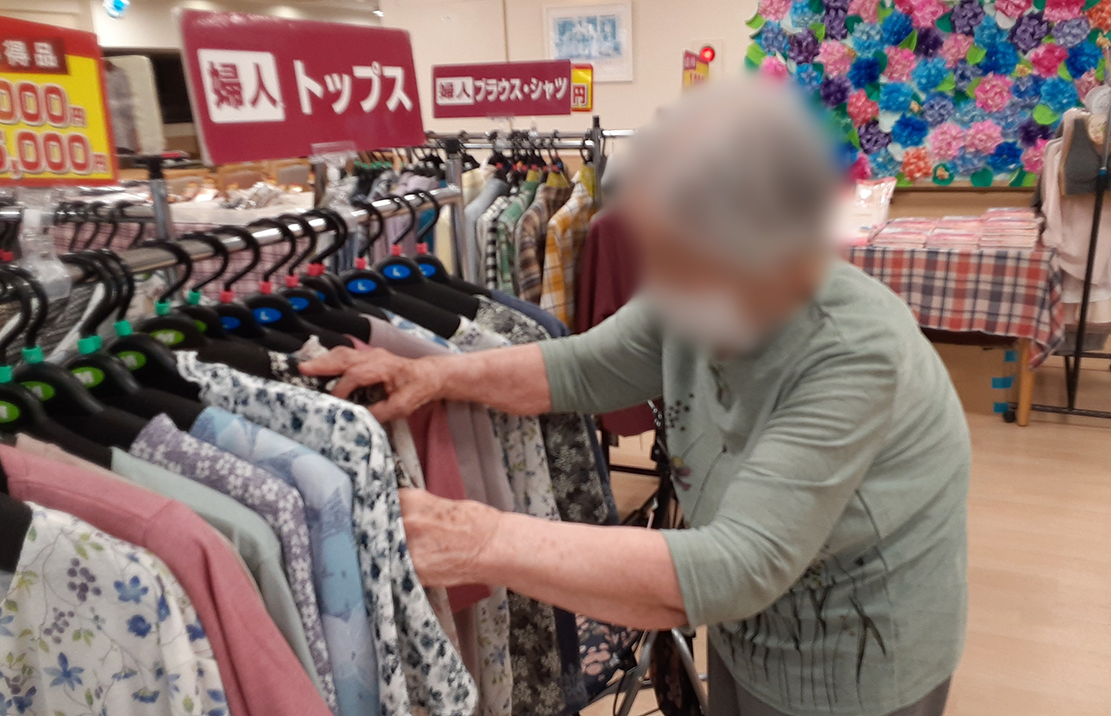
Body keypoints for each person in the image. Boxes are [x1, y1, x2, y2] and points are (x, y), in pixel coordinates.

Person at [300, 78, 970, 716]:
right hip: (750, 629)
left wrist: (482, 539)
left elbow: (737, 568)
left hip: (858, 650)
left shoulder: (852, 351)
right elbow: (579, 369)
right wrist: (435, 374)